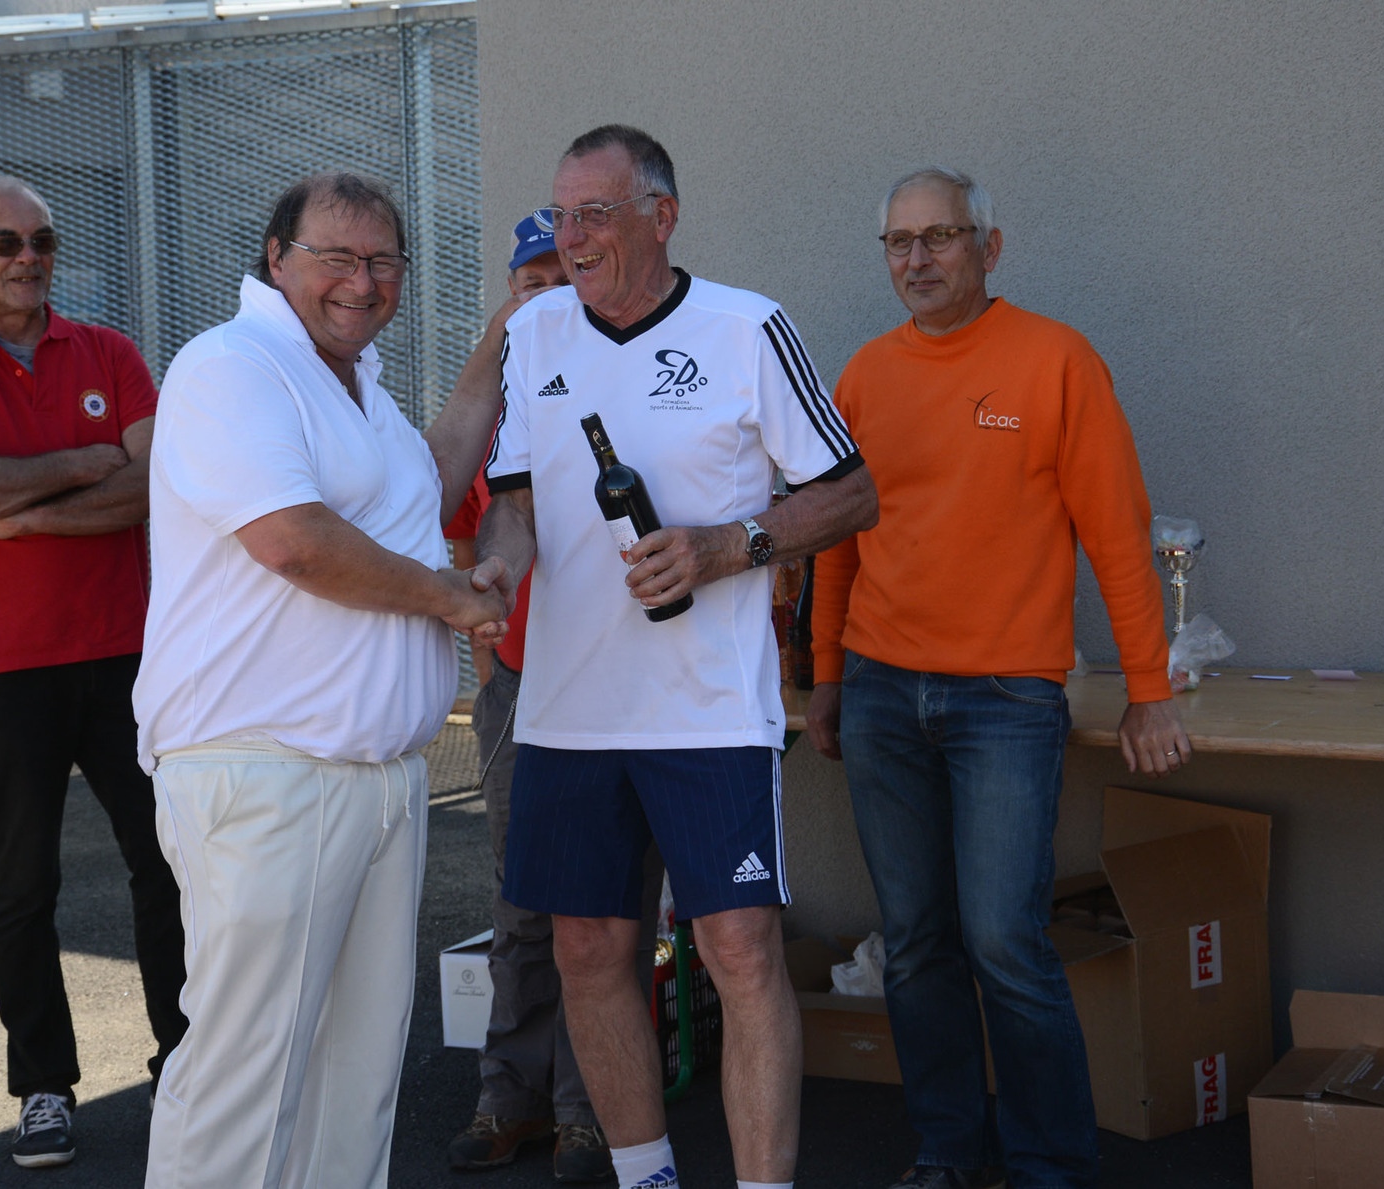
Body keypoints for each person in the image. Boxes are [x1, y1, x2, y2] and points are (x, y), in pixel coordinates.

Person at [474, 125, 878, 1189]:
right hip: (566, 713)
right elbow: (513, 503)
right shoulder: (535, 331)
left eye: (595, 214)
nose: (572, 237)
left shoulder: (747, 327)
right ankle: (646, 1177)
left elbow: (850, 493)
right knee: (586, 952)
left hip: (708, 713)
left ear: (662, 215)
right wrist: (496, 569)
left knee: (739, 950)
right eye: (561, 215)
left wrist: (724, 547)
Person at [805, 166, 1191, 1189]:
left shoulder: (1056, 361)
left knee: (1004, 941)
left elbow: (1117, 535)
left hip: (1007, 700)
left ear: (990, 245)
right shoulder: (865, 375)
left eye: (940, 236)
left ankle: (1048, 1163)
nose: (918, 259)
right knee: (916, 940)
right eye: (899, 242)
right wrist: (827, 674)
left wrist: (1149, 688)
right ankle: (946, 1150)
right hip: (881, 691)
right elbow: (836, 543)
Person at [131, 171, 511, 1189]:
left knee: (356, 1084)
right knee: (245, 1081)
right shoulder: (233, 365)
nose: (362, 280)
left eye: (383, 260)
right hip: (271, 776)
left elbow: (426, 478)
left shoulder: (357, 387)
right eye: (335, 256)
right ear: (276, 258)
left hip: (378, 780)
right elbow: (294, 542)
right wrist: (447, 597)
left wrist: (503, 335)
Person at [0, 175, 188, 1169]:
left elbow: (158, 484)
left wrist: (21, 516)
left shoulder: (109, 352)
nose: (29, 257)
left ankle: (186, 1062)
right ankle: (44, 1086)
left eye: (42, 240)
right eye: (6, 242)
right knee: (23, 884)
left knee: (171, 863)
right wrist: (79, 461)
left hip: (126, 652)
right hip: (2, 666)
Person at [447, 215, 658, 1184]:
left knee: (608, 908)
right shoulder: (499, 407)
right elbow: (461, 533)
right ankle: (510, 1095)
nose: (543, 295)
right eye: (527, 282)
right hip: (523, 683)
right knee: (523, 900)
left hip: (623, 682)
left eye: (559, 278)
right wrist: (491, 662)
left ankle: (589, 1111)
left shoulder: (630, 381)